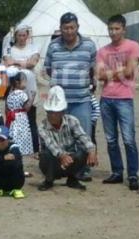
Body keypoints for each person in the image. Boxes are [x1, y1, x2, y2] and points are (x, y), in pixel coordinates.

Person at [44, 13, 98, 181]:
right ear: (60, 28)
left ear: (77, 27)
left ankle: (82, 170)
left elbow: (93, 68)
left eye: (72, 27)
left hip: (81, 99)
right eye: (65, 28)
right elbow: (48, 69)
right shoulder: (53, 46)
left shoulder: (89, 45)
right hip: (58, 103)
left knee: (83, 135)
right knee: (58, 135)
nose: (69, 31)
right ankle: (59, 168)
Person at [97, 14, 139, 190]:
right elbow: (99, 75)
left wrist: (110, 73)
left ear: (124, 29)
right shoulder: (103, 51)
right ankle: (117, 171)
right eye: (110, 29)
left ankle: (133, 174)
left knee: (128, 139)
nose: (113, 32)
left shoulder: (133, 46)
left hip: (124, 98)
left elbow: (130, 72)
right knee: (111, 139)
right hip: (107, 98)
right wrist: (120, 71)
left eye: (116, 29)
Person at [37, 86, 98, 191]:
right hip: (53, 161)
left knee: (83, 151)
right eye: (49, 112)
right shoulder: (42, 127)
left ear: (62, 112)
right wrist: (62, 155)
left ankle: (73, 179)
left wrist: (92, 150)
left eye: (55, 112)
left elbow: (83, 136)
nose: (52, 115)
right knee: (46, 154)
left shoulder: (72, 121)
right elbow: (51, 145)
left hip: (70, 159)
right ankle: (49, 180)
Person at [4, 25, 40, 152]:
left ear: (27, 36)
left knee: (31, 118)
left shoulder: (33, 48)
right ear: (16, 36)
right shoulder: (9, 49)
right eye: (19, 35)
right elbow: (8, 62)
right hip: (13, 88)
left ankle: (35, 148)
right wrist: (25, 63)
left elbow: (33, 63)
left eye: (24, 35)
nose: (22, 38)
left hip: (29, 86)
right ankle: (12, 145)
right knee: (12, 117)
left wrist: (16, 62)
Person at [5, 72, 34, 157]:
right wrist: (31, 98)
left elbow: (7, 108)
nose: (26, 83)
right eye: (25, 81)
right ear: (18, 82)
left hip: (12, 118)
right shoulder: (23, 95)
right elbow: (27, 108)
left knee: (15, 133)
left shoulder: (10, 95)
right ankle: (23, 150)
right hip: (21, 117)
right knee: (23, 133)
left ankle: (14, 149)